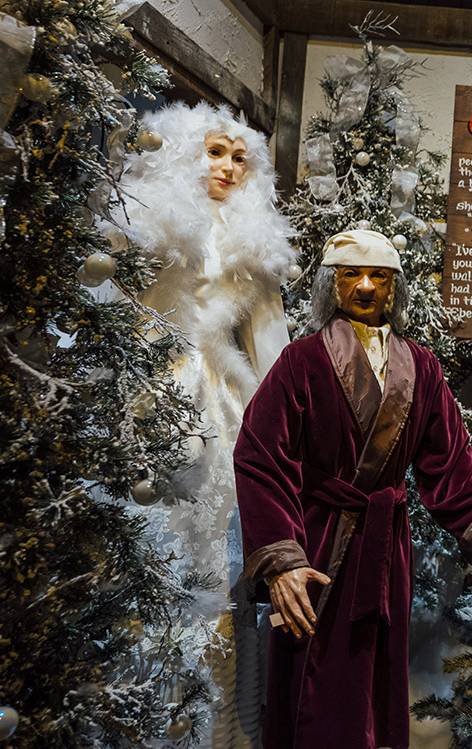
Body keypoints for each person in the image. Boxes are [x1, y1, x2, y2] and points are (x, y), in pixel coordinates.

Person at [233, 229, 472, 749]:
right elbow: (260, 455)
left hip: (386, 549)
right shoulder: (302, 362)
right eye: (351, 275)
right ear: (330, 285)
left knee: (375, 673)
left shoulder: (422, 367)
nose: (365, 286)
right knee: (314, 679)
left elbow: (448, 458)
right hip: (318, 544)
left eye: (379, 276)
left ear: (394, 287)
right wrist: (282, 560)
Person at [113, 101, 295, 749]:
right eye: (216, 151)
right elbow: (115, 309)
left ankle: (206, 721)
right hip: (142, 394)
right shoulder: (145, 221)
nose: (226, 166)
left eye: (239, 157)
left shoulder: (251, 243)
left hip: (216, 410)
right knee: (138, 554)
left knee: (209, 566)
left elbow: (272, 348)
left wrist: (288, 430)